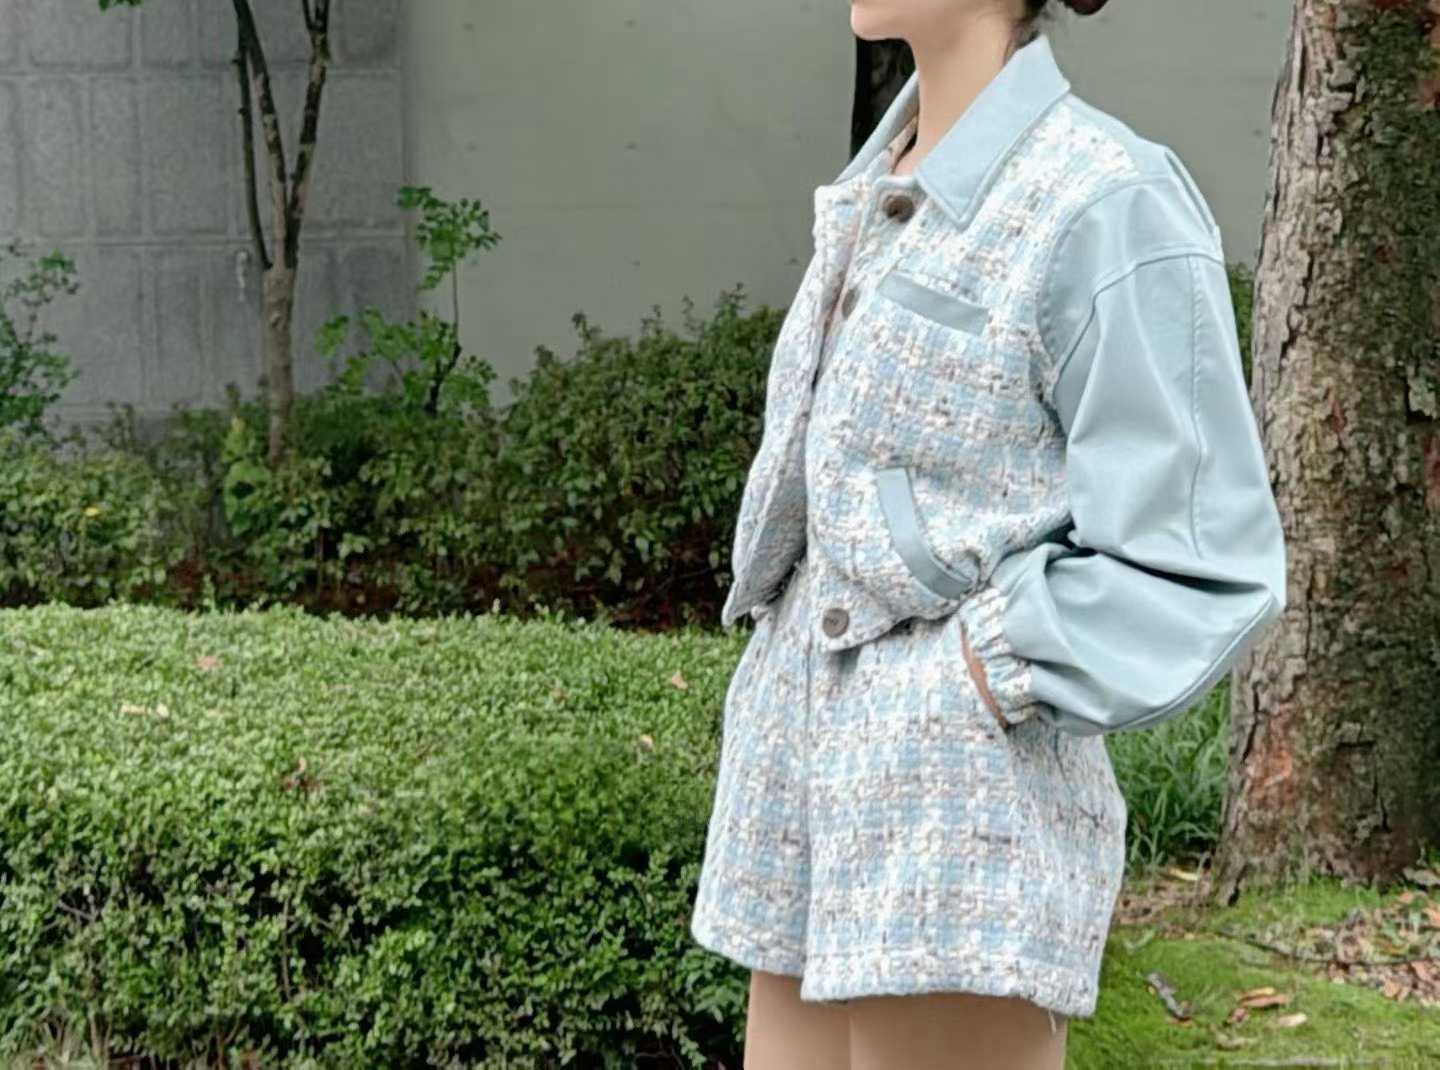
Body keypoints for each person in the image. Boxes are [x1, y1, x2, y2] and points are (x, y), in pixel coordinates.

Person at [690, 0, 1288, 1067]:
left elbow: (1201, 556)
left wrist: (984, 668)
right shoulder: (882, 185)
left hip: (958, 818)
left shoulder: (1105, 199)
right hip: (798, 799)